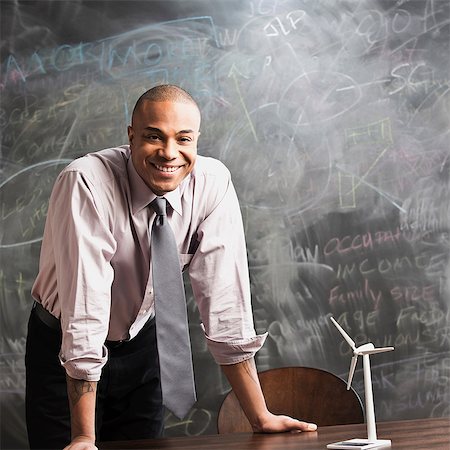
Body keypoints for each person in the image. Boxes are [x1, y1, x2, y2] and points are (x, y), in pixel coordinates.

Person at [25, 84, 317, 449]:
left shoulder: (211, 185)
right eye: (153, 137)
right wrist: (84, 436)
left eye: (183, 139)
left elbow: (226, 307)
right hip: (63, 348)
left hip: (142, 341)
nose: (169, 153)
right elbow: (86, 309)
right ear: (131, 137)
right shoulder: (87, 182)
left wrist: (259, 417)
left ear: (196, 140)